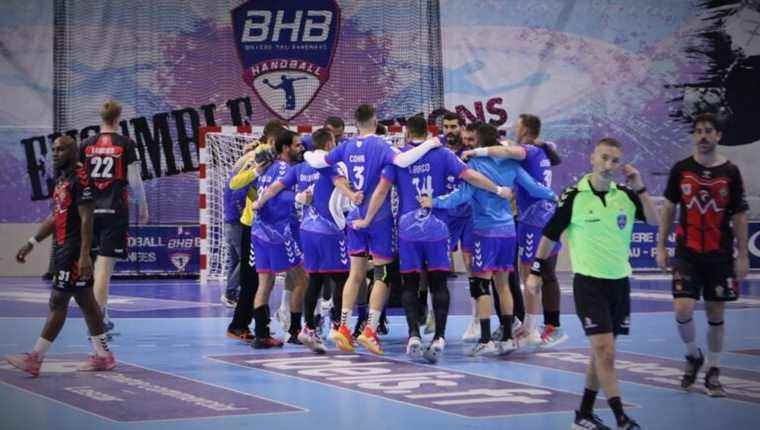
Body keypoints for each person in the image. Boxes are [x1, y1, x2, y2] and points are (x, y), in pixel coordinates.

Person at [526, 137, 658, 430]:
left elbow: (654, 220)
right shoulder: (574, 196)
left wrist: (640, 186)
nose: (609, 165)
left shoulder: (625, 194)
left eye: (614, 160)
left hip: (619, 283)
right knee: (605, 350)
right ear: (592, 159)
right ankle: (621, 417)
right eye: (604, 158)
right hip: (589, 283)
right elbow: (550, 235)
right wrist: (536, 271)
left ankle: (584, 413)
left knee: (602, 353)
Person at [359, 116, 510, 363]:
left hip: (408, 229)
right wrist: (498, 189)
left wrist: (366, 219)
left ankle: (414, 335)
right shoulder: (443, 154)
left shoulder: (397, 158)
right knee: (438, 283)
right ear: (427, 132)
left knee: (410, 284)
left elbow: (382, 190)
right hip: (438, 228)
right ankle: (439, 337)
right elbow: (471, 176)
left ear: (407, 134)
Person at [302, 104, 444, 354]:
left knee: (355, 274)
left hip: (353, 217)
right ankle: (370, 330)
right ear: (375, 120)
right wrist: (430, 144)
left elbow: (317, 159)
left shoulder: (345, 146)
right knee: (383, 275)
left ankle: (343, 329)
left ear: (355, 123)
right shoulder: (381, 146)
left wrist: (306, 156)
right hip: (377, 220)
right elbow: (398, 166)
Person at [422, 123, 555, 356]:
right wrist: (554, 196)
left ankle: (485, 339)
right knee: (503, 285)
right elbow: (534, 188)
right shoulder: (511, 164)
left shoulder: (473, 165)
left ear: (481, 140)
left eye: (472, 140)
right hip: (508, 232)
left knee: (480, 284)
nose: (468, 144)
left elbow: (460, 196)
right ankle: (506, 338)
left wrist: (434, 202)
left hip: (485, 232)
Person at [656, 112, 749, 397]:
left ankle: (713, 370)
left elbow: (740, 215)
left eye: (709, 131)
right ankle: (692, 355)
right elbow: (670, 208)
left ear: (719, 136)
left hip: (719, 255)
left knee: (715, 311)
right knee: (682, 308)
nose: (703, 136)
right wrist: (661, 246)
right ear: (694, 136)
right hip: (687, 253)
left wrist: (742, 254)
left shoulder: (730, 172)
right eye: (698, 131)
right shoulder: (681, 169)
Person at [7, 136, 116, 376]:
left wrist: (85, 255)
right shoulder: (62, 179)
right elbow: (56, 217)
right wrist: (32, 242)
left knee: (58, 302)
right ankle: (104, 356)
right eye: (54, 149)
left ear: (74, 152)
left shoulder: (81, 179)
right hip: (62, 248)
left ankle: (35, 358)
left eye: (61, 149)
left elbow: (88, 219)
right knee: (87, 303)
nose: (55, 153)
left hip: (74, 251)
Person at [253, 128, 362, 353]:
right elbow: (340, 181)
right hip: (329, 231)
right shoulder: (327, 166)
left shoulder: (300, 168)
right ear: (330, 144)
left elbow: (275, 187)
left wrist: (259, 202)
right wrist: (352, 196)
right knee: (341, 280)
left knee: (315, 279)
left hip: (306, 230)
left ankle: (308, 329)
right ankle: (339, 329)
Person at [463, 113, 566, 348]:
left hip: (533, 218)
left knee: (532, 273)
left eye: (517, 127)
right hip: (537, 215)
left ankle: (532, 328)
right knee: (534, 273)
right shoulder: (541, 151)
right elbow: (533, 178)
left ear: (527, 130)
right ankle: (534, 326)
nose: (513, 131)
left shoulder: (527, 150)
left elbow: (510, 152)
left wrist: (476, 152)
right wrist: (551, 194)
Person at [79, 100, 148, 336]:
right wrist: (143, 206)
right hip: (113, 211)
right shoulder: (125, 144)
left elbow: (77, 180)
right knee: (103, 270)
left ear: (101, 117)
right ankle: (96, 325)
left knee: (91, 268)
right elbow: (135, 180)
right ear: (118, 119)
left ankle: (101, 316)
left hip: (87, 213)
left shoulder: (86, 144)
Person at [225, 121, 284, 343]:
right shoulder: (258, 156)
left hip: (258, 224)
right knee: (253, 280)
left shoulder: (263, 156)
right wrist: (256, 170)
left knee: (259, 279)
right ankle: (239, 325)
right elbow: (234, 183)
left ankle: (251, 326)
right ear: (272, 141)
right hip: (252, 225)